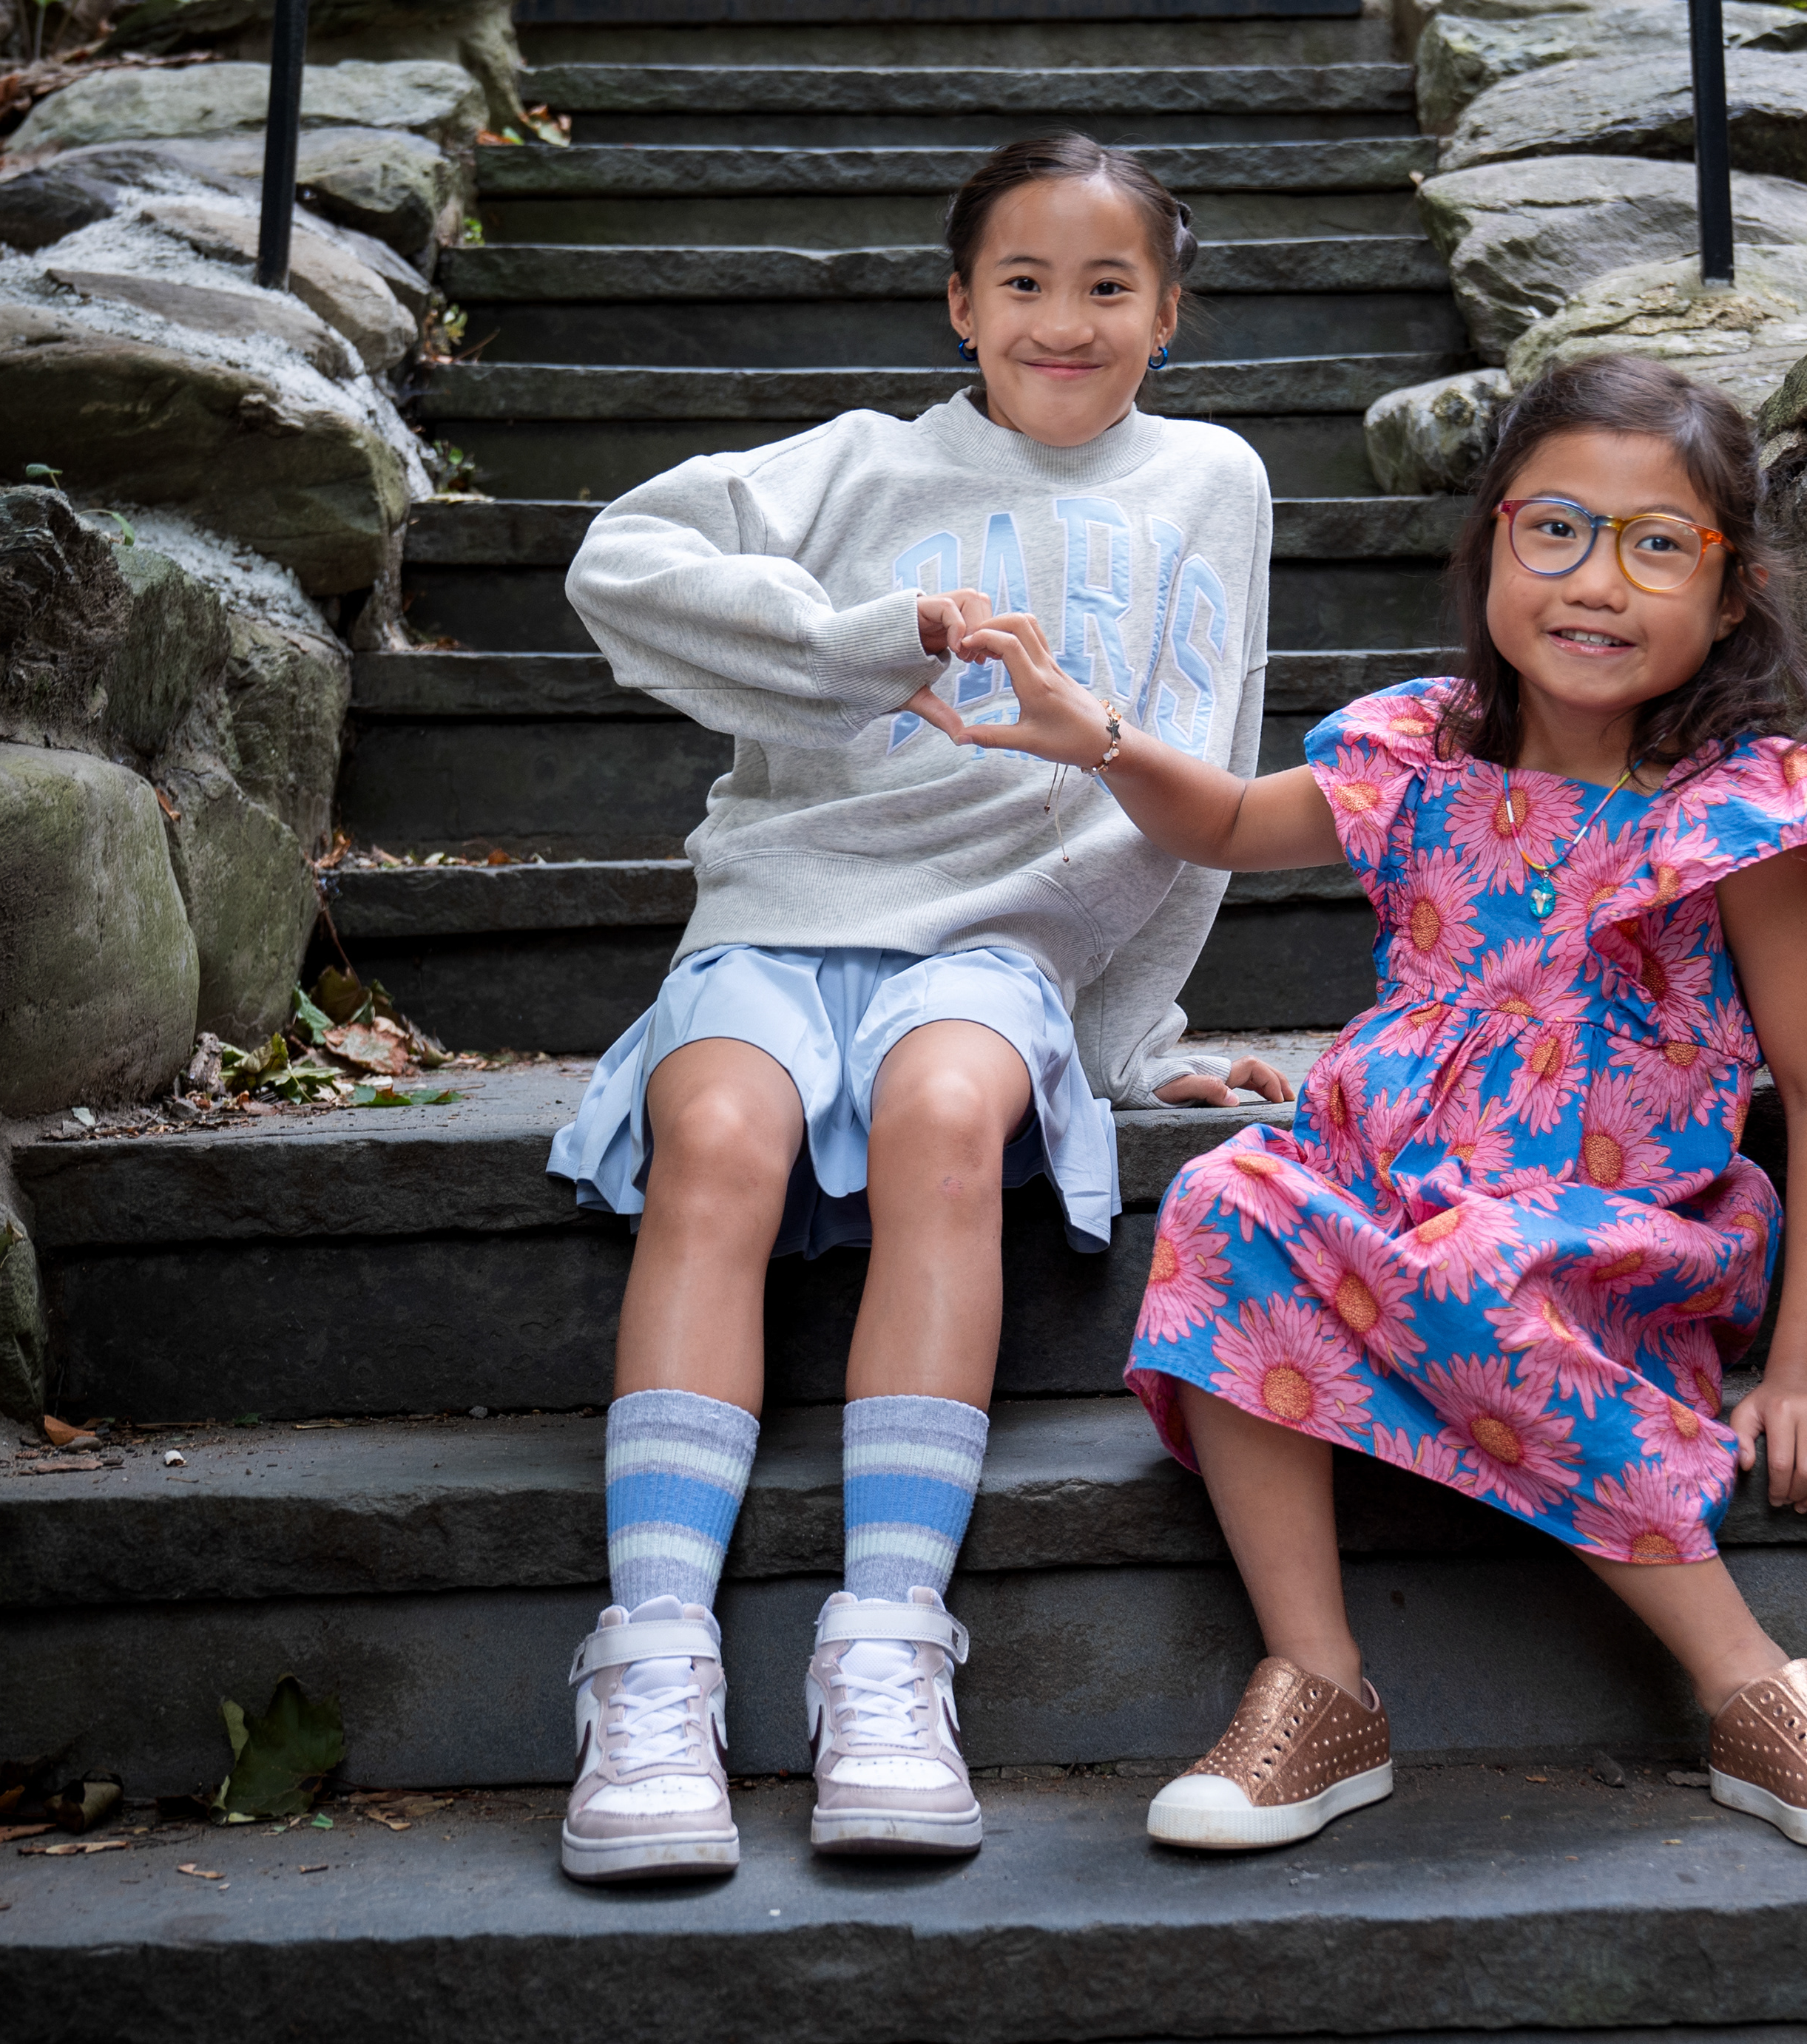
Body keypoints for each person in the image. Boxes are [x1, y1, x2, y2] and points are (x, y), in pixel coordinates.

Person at [937, 351, 1807, 1858]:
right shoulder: (1419, 754)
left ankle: (1752, 1685)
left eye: (1656, 544)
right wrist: (1095, 731)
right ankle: (1318, 1683)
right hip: (1390, 1203)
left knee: (1478, 1257)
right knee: (1222, 1194)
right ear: (1492, 544)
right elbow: (1229, 822)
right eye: (1555, 529)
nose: (1595, 581)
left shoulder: (1741, 812)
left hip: (1605, 1242)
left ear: (1731, 592)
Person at [541, 134, 1291, 1882]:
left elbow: (1206, 744)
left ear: (1168, 314)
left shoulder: (1215, 480)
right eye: (1022, 282)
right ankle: (652, 1654)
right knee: (718, 1131)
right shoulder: (858, 462)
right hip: (784, 902)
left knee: (947, 1114)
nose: (1062, 319)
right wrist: (860, 641)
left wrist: (1123, 1039)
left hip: (998, 939)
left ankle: (886, 1645)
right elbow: (617, 562)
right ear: (960, 302)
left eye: (1108, 286)